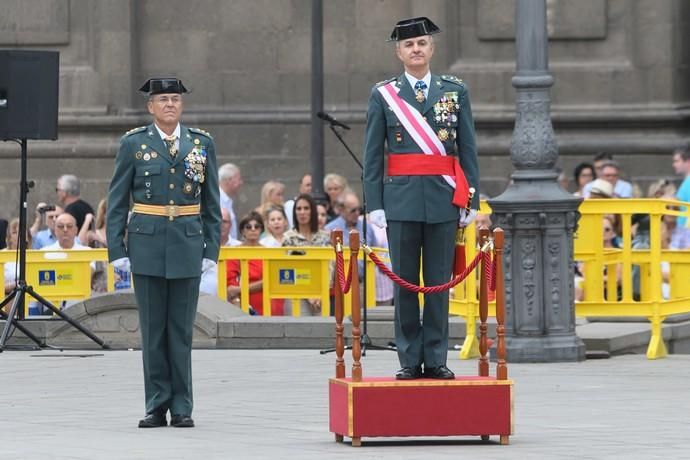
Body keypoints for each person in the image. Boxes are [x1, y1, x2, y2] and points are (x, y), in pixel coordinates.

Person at [363, 17, 480, 380]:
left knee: (437, 285)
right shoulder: (384, 94)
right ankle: (409, 360)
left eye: (422, 43)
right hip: (400, 200)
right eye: (409, 45)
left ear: (432, 49)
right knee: (405, 284)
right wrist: (375, 203)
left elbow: (468, 148)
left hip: (444, 197)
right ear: (399, 52)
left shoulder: (454, 90)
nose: (416, 49)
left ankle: (437, 357)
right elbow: (372, 154)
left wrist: (471, 200)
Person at [106, 77, 221, 429]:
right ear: (150, 107)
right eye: (163, 99)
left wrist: (211, 250)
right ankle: (156, 404)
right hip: (147, 244)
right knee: (153, 330)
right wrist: (117, 249)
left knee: (181, 331)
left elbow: (211, 203)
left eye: (175, 99)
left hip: (187, 243)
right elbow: (116, 200)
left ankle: (182, 406)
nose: (170, 104)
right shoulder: (134, 144)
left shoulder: (201, 144)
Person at [282, 193, 331, 316]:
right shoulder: (288, 238)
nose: (302, 212)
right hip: (296, 294)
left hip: (321, 293)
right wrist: (308, 295)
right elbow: (288, 268)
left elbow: (330, 267)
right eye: (298, 209)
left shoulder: (324, 237)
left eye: (306, 208)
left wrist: (321, 293)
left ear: (313, 211)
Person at [226, 212, 283, 316]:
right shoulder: (234, 253)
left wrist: (240, 289)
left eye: (257, 226)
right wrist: (261, 284)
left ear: (261, 230)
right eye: (248, 227)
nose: (253, 229)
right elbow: (230, 288)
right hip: (243, 307)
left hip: (268, 305)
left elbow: (272, 280)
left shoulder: (269, 253)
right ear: (242, 231)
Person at [200, 208, 235, 296]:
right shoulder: (199, 245)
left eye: (224, 221)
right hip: (202, 300)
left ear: (230, 225)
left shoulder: (239, 246)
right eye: (217, 220)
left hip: (231, 301)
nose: (221, 224)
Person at [670, 144, 690, 249]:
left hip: (685, 235)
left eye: (677, 161)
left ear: (688, 161)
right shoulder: (686, 182)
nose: (674, 165)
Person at [218, 163, 243, 241]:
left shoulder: (227, 200)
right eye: (239, 179)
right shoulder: (215, 200)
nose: (241, 183)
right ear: (229, 180)